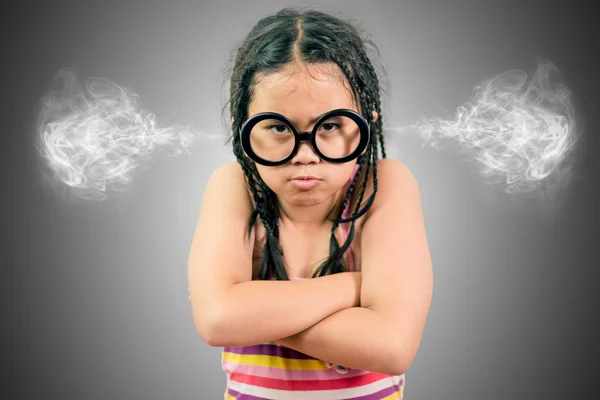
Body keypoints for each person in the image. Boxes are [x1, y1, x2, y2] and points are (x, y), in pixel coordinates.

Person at [188, 7, 433, 399]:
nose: (306, 154)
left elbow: (392, 345)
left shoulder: (383, 186)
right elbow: (218, 320)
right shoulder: (235, 187)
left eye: (331, 125)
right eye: (279, 127)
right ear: (242, 132)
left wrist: (254, 316)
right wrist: (353, 288)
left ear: (365, 126)